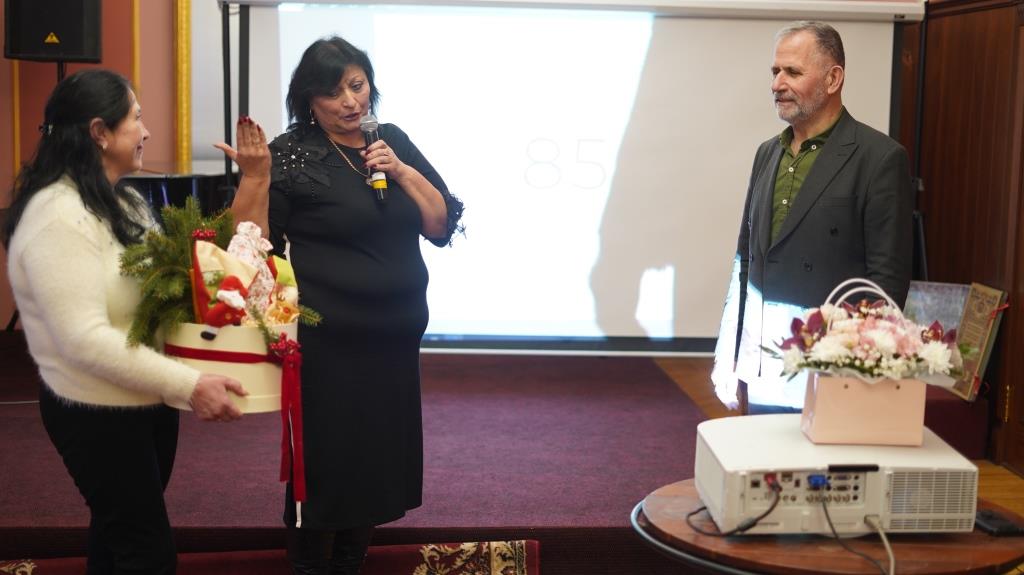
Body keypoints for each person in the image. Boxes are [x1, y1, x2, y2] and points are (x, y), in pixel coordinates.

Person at [221, 36, 463, 575]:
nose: (351, 101)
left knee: (375, 459)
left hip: (394, 341)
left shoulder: (390, 140)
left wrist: (400, 171)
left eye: (357, 85)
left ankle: (351, 562)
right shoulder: (290, 153)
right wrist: (256, 177)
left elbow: (440, 223)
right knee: (327, 463)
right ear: (309, 100)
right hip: (326, 343)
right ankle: (310, 566)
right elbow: (249, 244)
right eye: (334, 93)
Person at [2, 70, 247, 573]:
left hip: (145, 401)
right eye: (136, 118)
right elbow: (82, 340)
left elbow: (169, 288)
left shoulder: (127, 201)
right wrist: (189, 384)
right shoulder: (57, 215)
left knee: (116, 542)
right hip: (93, 409)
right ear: (99, 132)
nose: (147, 131)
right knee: (147, 553)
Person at [712, 21, 913, 414]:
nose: (777, 84)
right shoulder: (767, 153)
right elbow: (746, 260)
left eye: (793, 72)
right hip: (761, 365)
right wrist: (729, 352)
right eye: (775, 71)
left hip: (829, 373)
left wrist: (854, 369)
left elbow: (886, 284)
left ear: (833, 78)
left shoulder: (880, 158)